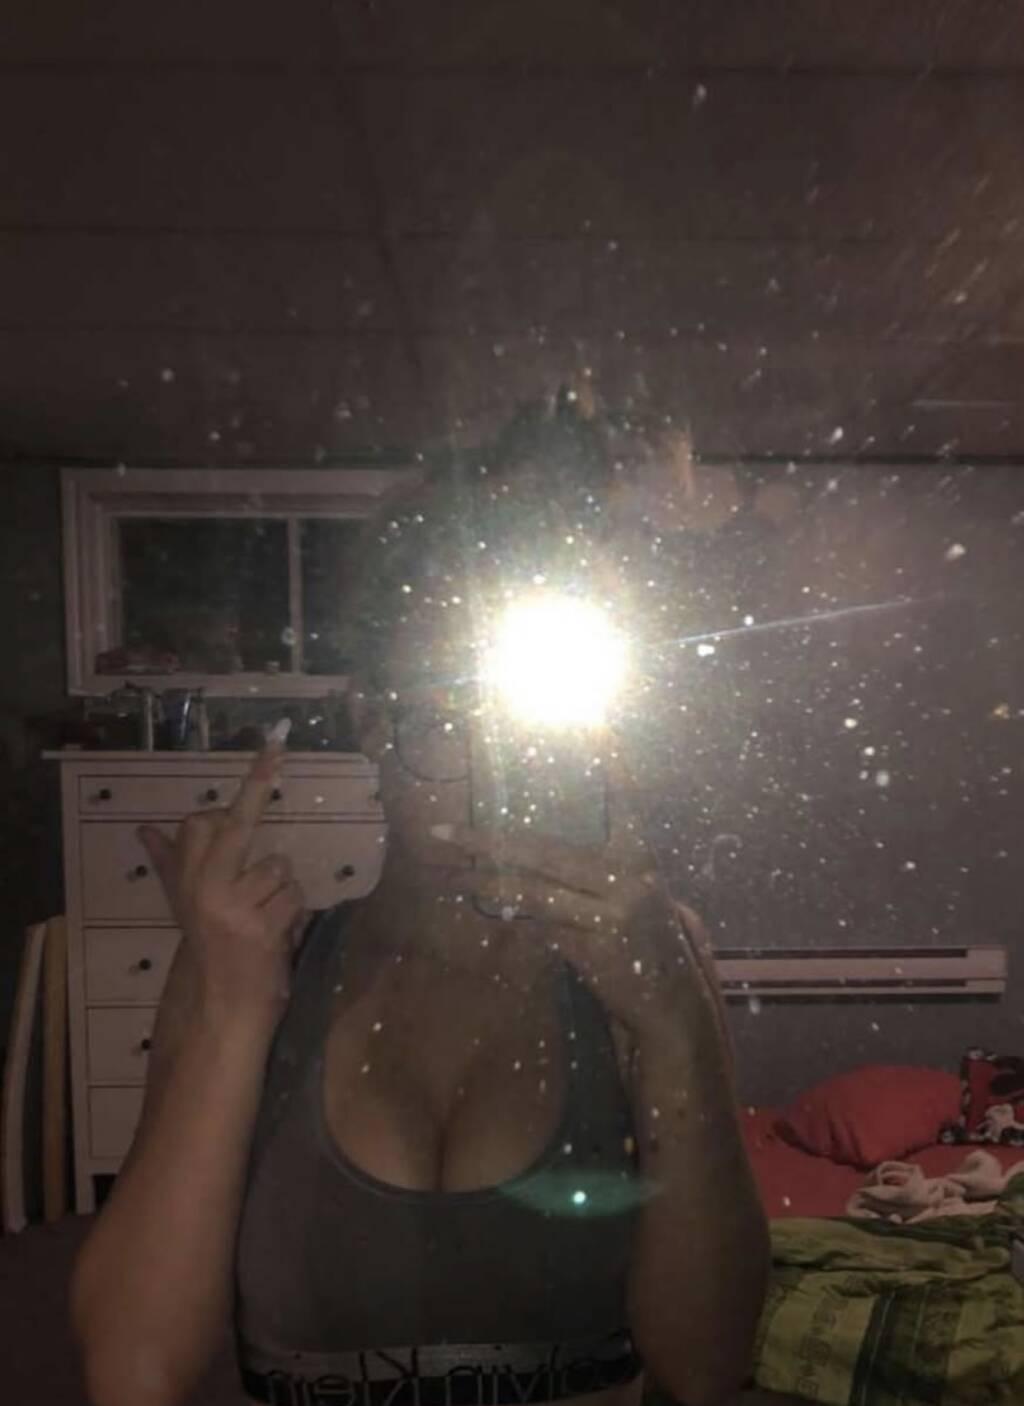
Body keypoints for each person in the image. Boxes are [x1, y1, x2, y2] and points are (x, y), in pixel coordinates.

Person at [71, 413, 769, 1406]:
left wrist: (675, 1025)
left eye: (528, 722)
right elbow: (132, 1372)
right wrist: (232, 1010)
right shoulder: (255, 963)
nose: (492, 775)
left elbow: (706, 1367)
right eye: (446, 717)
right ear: (369, 719)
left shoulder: (652, 958)